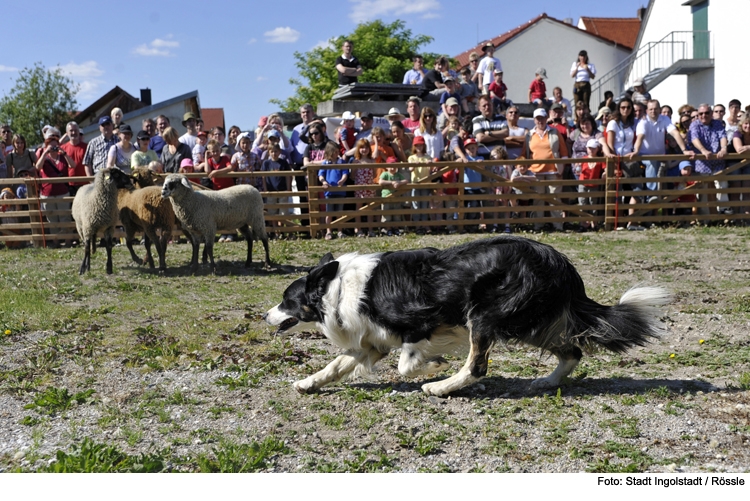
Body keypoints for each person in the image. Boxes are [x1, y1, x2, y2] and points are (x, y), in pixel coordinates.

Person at [630, 100, 694, 198]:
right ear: (647, 111)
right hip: (643, 155)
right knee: (653, 163)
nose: (653, 111)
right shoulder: (643, 121)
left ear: (660, 110)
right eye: (651, 109)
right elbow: (640, 137)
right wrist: (636, 151)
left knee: (662, 169)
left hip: (660, 157)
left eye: (655, 109)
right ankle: (652, 196)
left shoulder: (664, 119)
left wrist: (684, 150)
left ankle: (661, 203)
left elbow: (675, 133)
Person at [524, 108, 568, 231]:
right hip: (536, 172)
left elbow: (564, 151)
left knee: (555, 198)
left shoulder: (555, 132)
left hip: (554, 171)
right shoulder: (529, 135)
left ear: (546, 118)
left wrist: (562, 168)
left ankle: (558, 226)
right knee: (538, 200)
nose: (540, 121)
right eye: (538, 118)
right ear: (534, 120)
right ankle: (538, 226)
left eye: (542, 118)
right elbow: (525, 153)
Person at [687, 103, 728, 217]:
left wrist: (724, 149)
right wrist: (703, 150)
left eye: (706, 113)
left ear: (711, 114)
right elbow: (694, 139)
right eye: (701, 113)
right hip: (702, 162)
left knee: (722, 184)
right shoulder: (694, 125)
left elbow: (723, 136)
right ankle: (705, 218)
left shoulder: (717, 123)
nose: (703, 115)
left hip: (717, 161)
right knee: (703, 189)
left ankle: (723, 213)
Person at [33, 135, 73, 247]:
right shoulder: (44, 159)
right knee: (52, 218)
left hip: (63, 192)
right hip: (47, 194)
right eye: (51, 147)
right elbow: (38, 167)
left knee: (65, 217)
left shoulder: (62, 157)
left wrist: (64, 153)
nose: (54, 149)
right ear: (46, 147)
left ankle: (68, 241)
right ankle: (56, 242)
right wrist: (45, 153)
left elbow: (73, 165)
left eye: (56, 146)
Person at [318, 142, 349, 240]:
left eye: (337, 151)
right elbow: (321, 175)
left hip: (340, 191)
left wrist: (342, 180)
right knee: (329, 212)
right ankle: (329, 232)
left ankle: (340, 231)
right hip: (329, 192)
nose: (337, 153)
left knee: (339, 212)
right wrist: (324, 182)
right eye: (335, 152)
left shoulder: (342, 162)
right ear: (329, 152)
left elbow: (345, 173)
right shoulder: (325, 163)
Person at [262, 143, 292, 239]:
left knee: (283, 211)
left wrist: (288, 188)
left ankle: (283, 230)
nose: (274, 153)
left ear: (279, 152)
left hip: (282, 189)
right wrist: (265, 189)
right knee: (272, 212)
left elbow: (288, 176)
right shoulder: (266, 163)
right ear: (269, 152)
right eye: (272, 151)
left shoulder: (283, 162)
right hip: (271, 191)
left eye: (276, 151)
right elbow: (263, 177)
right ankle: (276, 232)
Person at [351, 138, 376, 237]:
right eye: (362, 147)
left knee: (370, 208)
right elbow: (352, 175)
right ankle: (359, 229)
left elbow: (374, 174)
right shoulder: (356, 161)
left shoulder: (372, 161)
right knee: (359, 208)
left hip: (370, 187)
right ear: (358, 149)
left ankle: (370, 229)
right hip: (359, 187)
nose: (364, 150)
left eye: (366, 147)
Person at [579, 138, 605, 230]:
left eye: (593, 148)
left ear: (597, 149)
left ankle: (594, 224)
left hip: (594, 185)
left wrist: (604, 173)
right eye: (589, 148)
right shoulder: (583, 159)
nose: (591, 150)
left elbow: (605, 169)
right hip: (583, 184)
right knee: (583, 204)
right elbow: (578, 169)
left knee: (593, 205)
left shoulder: (600, 160)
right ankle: (583, 224)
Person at [408, 135, 431, 232]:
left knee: (425, 204)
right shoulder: (411, 158)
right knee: (416, 204)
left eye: (420, 145)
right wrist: (414, 165)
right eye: (417, 145)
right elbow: (410, 169)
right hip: (416, 183)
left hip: (426, 183)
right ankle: (418, 225)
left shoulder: (428, 157)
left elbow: (433, 167)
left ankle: (425, 224)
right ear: (414, 147)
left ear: (424, 146)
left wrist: (431, 163)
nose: (419, 147)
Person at [378, 157, 407, 236]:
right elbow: (380, 181)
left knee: (396, 214)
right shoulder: (385, 174)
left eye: (394, 166)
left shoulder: (398, 175)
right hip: (386, 197)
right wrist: (391, 182)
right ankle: (388, 229)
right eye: (390, 166)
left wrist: (399, 183)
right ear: (387, 166)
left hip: (396, 197)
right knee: (386, 214)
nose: (392, 168)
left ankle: (396, 228)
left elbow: (406, 180)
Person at [59, 122, 88, 196]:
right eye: (71, 130)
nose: (74, 132)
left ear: (79, 131)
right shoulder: (63, 148)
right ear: (67, 133)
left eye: (76, 130)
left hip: (85, 183)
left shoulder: (86, 147)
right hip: (69, 184)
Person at [731, 114, 750, 216]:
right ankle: (736, 216)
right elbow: (739, 149)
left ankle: (747, 215)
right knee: (736, 190)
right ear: (742, 124)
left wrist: (748, 147)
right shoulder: (737, 133)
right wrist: (747, 148)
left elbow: (744, 149)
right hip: (735, 163)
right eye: (746, 123)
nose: (748, 126)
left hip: (748, 162)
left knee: (747, 190)